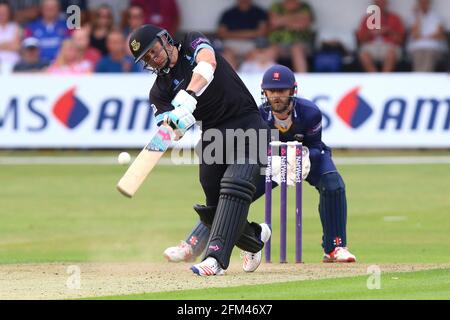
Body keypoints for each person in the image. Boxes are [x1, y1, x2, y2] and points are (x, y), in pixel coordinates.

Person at [164, 64, 357, 265]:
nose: (276, 96)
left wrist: (299, 153)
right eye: (271, 91)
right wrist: (280, 153)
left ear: (293, 90)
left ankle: (335, 247)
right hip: (272, 162)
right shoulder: (258, 115)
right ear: (264, 92)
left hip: (307, 159)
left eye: (282, 90)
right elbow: (254, 149)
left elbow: (316, 146)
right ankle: (192, 245)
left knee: (333, 184)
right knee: (231, 193)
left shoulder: (310, 112)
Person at [128, 24, 272, 276]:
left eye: (153, 50)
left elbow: (208, 64)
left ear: (165, 39)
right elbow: (169, 130)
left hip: (247, 124)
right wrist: (176, 124)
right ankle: (254, 237)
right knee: (213, 208)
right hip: (213, 135)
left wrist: (189, 95)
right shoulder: (159, 91)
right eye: (146, 58)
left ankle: (215, 260)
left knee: (235, 183)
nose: (152, 58)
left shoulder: (190, 41)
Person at [217, 0, 269, 70]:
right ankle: (232, 79)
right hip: (232, 44)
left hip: (253, 44)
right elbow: (222, 33)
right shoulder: (228, 13)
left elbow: (262, 32)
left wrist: (233, 33)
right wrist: (251, 33)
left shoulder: (259, 12)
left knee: (259, 54)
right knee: (226, 55)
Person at [356, 0, 405, 72]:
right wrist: (372, 33)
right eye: (378, 2)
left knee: (391, 54)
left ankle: (384, 79)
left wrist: (388, 31)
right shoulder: (367, 19)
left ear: (386, 3)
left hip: (389, 46)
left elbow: (400, 40)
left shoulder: (395, 18)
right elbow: (361, 39)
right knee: (364, 55)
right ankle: (375, 79)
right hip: (371, 46)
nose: (380, 5)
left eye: (382, 2)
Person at [267, 0, 315, 73]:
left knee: (296, 49)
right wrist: (296, 17)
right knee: (272, 50)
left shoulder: (304, 6)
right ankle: (269, 79)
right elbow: (274, 22)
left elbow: (304, 24)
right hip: (278, 43)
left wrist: (282, 20)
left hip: (300, 43)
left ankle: (303, 79)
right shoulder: (276, 6)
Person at [407, 0, 447, 72]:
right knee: (419, 55)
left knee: (429, 55)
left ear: (429, 3)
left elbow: (440, 35)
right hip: (417, 48)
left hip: (433, 47)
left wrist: (423, 37)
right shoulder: (413, 17)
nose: (423, 4)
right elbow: (415, 34)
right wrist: (418, 16)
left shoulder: (437, 17)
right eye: (421, 3)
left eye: (425, 2)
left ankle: (424, 78)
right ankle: (420, 78)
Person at [0, 1, 21, 72]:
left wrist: (1, 45)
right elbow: (13, 45)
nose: (2, 14)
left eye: (4, 12)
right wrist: (9, 44)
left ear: (9, 13)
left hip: (14, 63)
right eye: (0, 12)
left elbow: (17, 46)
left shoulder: (15, 26)